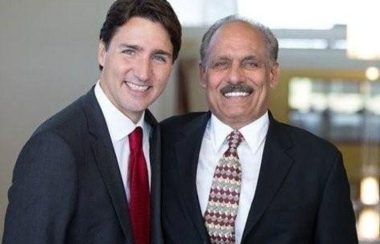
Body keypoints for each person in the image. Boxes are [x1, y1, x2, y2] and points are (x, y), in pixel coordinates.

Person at [160, 15, 358, 244]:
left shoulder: (320, 164)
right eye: (221, 63)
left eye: (250, 63)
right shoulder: (163, 140)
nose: (235, 76)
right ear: (204, 74)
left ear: (272, 74)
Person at [2, 0, 181, 243]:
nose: (143, 72)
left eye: (159, 57)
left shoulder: (161, 140)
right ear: (102, 52)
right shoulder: (54, 148)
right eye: (130, 51)